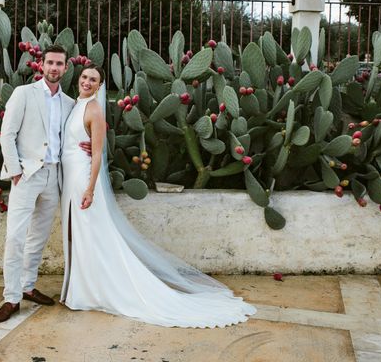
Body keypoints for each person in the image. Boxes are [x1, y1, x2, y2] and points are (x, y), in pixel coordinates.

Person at [59, 64, 257, 328]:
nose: (86, 81)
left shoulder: (93, 109)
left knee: (91, 234)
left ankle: (91, 292)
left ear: (99, 85)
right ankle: (83, 287)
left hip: (82, 178)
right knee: (81, 234)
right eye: (84, 77)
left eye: (93, 79)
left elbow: (97, 154)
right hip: (69, 177)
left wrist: (90, 188)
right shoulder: (75, 104)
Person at [0, 45, 76, 323]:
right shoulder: (23, 94)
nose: (54, 68)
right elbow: (8, 134)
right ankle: (11, 297)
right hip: (27, 175)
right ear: (41, 65)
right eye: (50, 62)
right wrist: (15, 170)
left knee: (38, 238)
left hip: (54, 177)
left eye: (59, 64)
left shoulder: (69, 103)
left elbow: (72, 138)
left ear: (66, 68)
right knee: (15, 237)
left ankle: (28, 287)